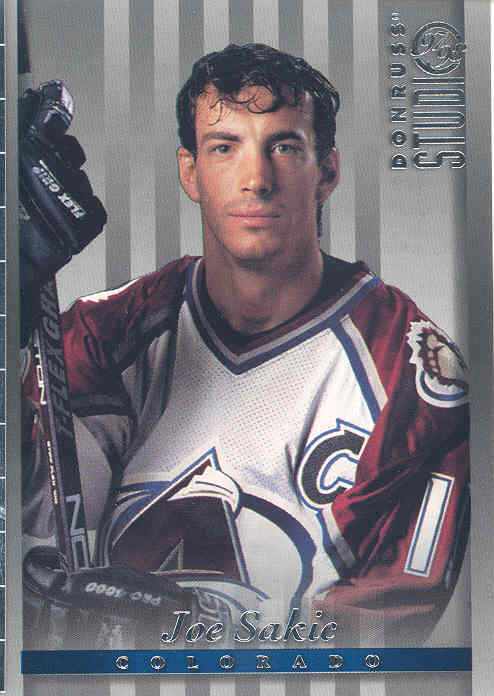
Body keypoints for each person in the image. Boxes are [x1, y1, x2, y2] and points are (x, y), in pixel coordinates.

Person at [21, 44, 469, 646]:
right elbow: (40, 514)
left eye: (283, 146)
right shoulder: (114, 330)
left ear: (327, 171)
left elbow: (382, 644)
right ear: (189, 172)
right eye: (224, 147)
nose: (256, 180)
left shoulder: (407, 377)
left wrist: (192, 634)